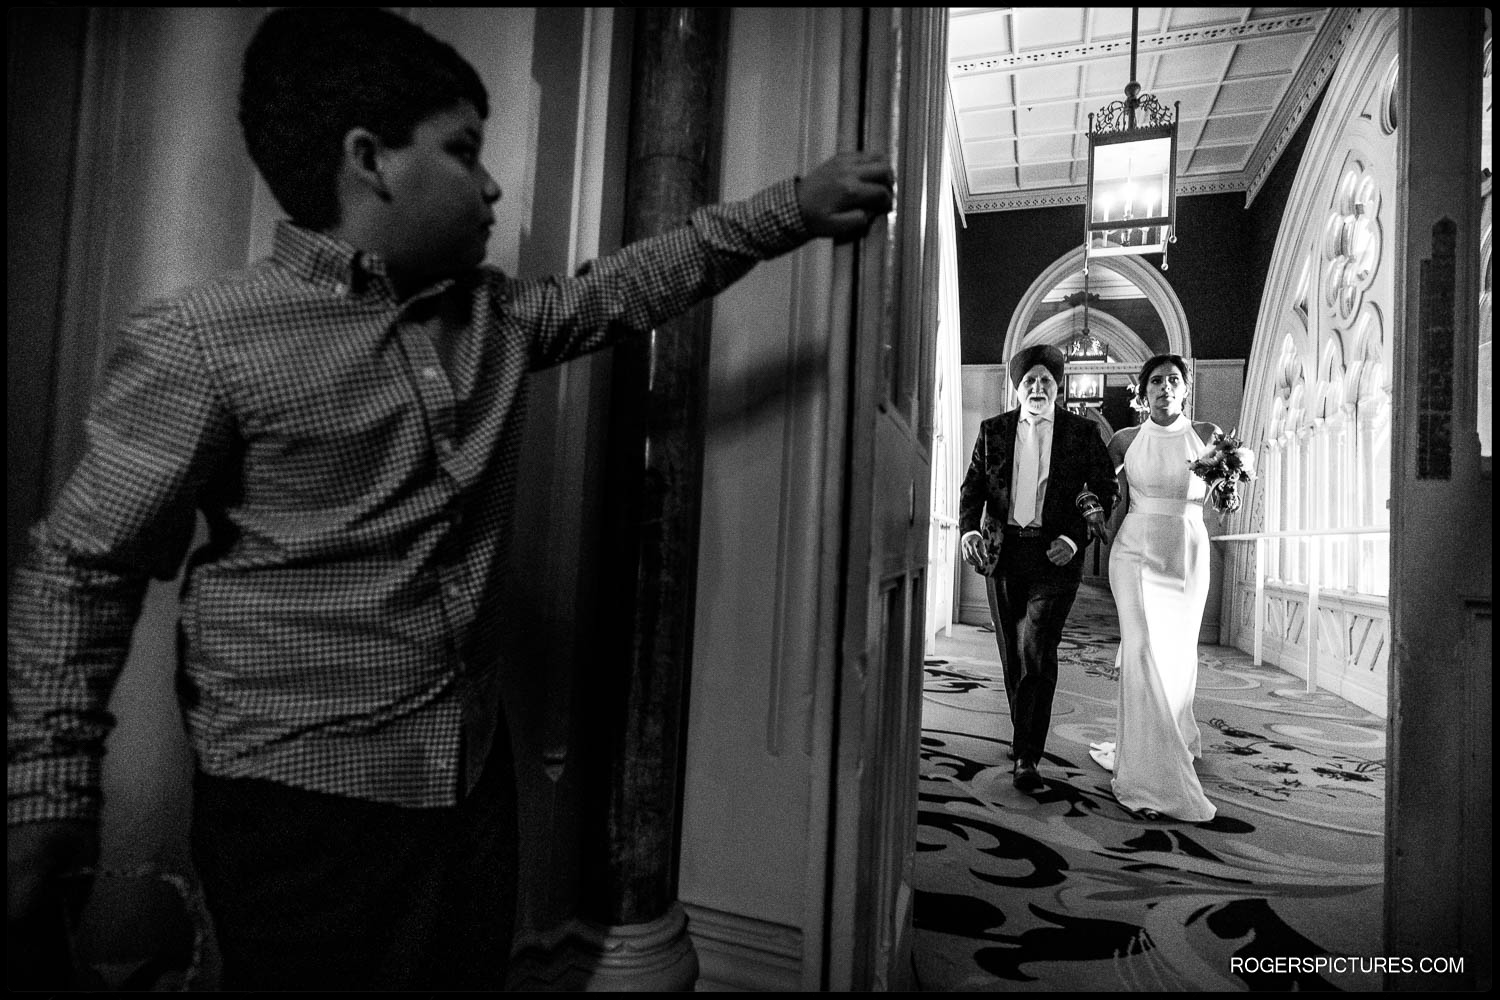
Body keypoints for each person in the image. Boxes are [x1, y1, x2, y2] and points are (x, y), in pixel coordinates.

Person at [6, 7, 896, 992]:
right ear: (371, 161)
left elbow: (635, 283)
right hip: (302, 810)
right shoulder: (206, 339)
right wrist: (45, 788)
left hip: (469, 776)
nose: (493, 183)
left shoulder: (496, 320)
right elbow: (83, 567)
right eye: (465, 151)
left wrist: (794, 210)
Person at [958, 344, 1116, 793]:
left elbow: (1105, 489)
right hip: (1003, 555)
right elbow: (972, 489)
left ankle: (1027, 754)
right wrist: (970, 531)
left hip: (1054, 557)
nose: (1038, 387)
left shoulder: (1082, 434)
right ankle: (1024, 732)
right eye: (1030, 381)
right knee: (1012, 653)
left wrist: (1073, 539)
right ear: (1018, 388)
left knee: (1036, 650)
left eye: (1046, 380)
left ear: (1058, 387)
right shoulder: (994, 431)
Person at [1087, 354, 1218, 822]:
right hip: (1134, 551)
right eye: (1156, 381)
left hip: (1187, 550)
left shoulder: (1206, 435)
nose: (1165, 387)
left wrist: (1232, 487)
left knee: (1178, 654)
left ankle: (1174, 734)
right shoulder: (1125, 440)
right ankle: (1147, 771)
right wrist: (1097, 524)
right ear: (1144, 392)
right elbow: (1108, 495)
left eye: (1174, 380)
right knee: (1141, 647)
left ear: (1186, 388)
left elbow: (1225, 499)